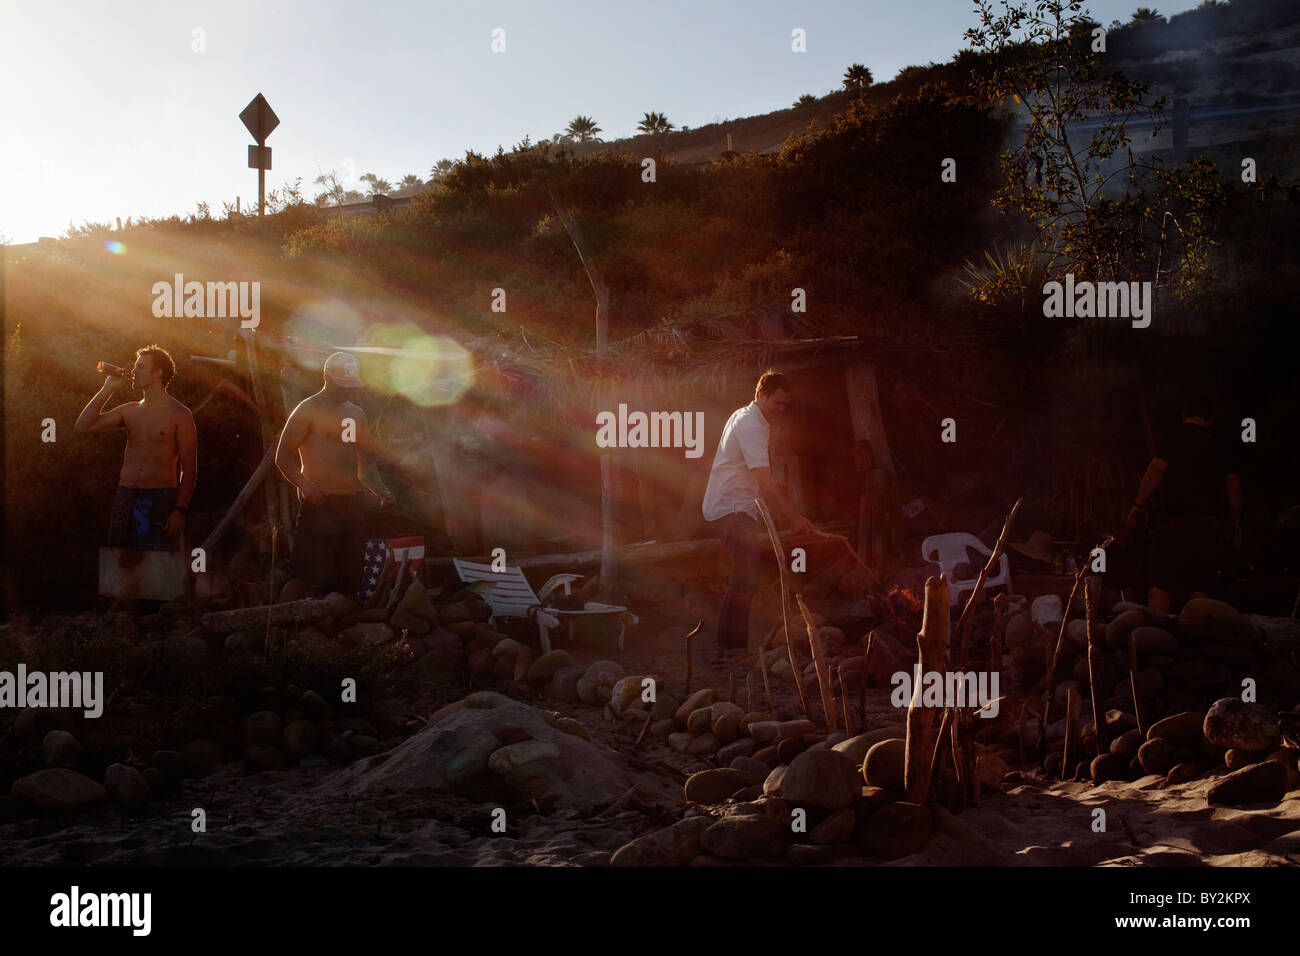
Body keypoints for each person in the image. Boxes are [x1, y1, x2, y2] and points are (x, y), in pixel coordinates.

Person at [702, 369, 813, 660]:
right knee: (745, 577)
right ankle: (731, 649)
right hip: (732, 507)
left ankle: (729, 648)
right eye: (777, 402)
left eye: (784, 404)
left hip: (738, 506)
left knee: (744, 577)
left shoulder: (750, 418)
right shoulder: (750, 424)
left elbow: (759, 480)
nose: (781, 408)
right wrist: (793, 518)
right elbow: (763, 478)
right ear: (761, 396)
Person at [275, 352, 395, 601]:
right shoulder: (307, 409)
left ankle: (343, 629)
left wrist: (379, 488)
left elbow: (365, 460)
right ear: (327, 378)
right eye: (343, 385)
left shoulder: (357, 414)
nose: (347, 391)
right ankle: (291, 626)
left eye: (351, 386)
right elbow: (282, 458)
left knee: (350, 575)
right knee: (308, 575)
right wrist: (305, 486)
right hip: (319, 501)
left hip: (352, 503)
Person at [1126, 383, 1243, 614]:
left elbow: (1156, 469)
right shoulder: (1221, 442)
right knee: (1199, 590)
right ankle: (1198, 644)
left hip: (1173, 524)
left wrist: (1138, 504)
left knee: (1160, 588)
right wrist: (1236, 524)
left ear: (1184, 415)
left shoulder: (1173, 436)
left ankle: (1157, 644)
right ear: (1211, 418)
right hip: (1209, 526)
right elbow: (1233, 486)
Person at [76, 345, 197, 551]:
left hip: (160, 498)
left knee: (157, 564)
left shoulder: (180, 414)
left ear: (157, 373)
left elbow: (189, 467)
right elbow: (83, 426)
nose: (133, 372)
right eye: (135, 367)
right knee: (120, 560)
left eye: (141, 367)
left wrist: (180, 509)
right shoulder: (130, 410)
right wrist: (107, 389)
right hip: (126, 496)